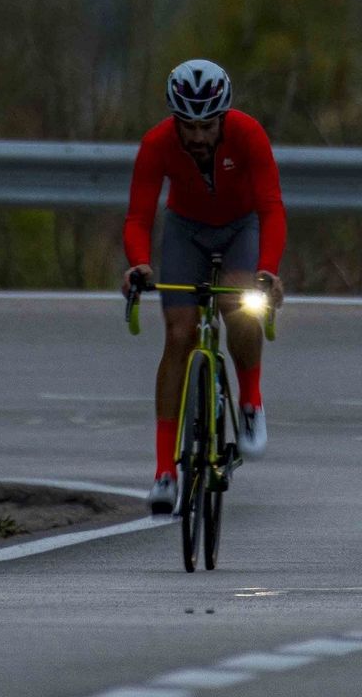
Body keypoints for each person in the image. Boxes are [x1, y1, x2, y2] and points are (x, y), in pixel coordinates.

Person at [122, 57, 286, 515]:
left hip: (240, 228)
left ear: (223, 117)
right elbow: (138, 217)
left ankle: (250, 401)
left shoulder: (249, 134)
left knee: (241, 306)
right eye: (187, 125)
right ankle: (163, 473)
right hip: (186, 230)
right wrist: (138, 265)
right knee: (179, 334)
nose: (197, 136)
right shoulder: (157, 143)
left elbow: (272, 207)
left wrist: (267, 271)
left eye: (207, 125)